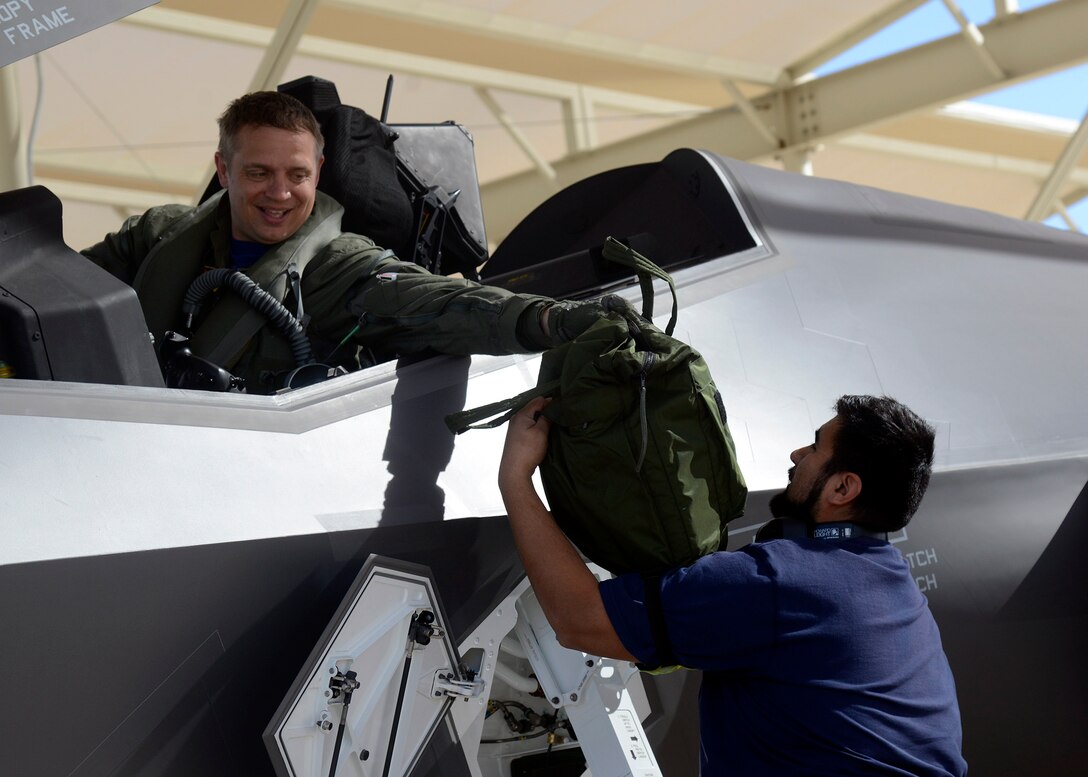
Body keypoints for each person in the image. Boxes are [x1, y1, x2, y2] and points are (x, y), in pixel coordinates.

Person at [498, 394, 967, 777]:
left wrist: (516, 478)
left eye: (814, 448)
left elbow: (580, 621)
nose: (796, 455)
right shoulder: (898, 589)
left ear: (843, 489)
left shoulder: (782, 582)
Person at [81, 91, 607, 392]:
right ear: (224, 169)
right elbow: (54, 296)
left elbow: (438, 303)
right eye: (259, 172)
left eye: (297, 174)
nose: (280, 193)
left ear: (320, 171)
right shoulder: (159, 234)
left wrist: (548, 319)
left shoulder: (334, 267)